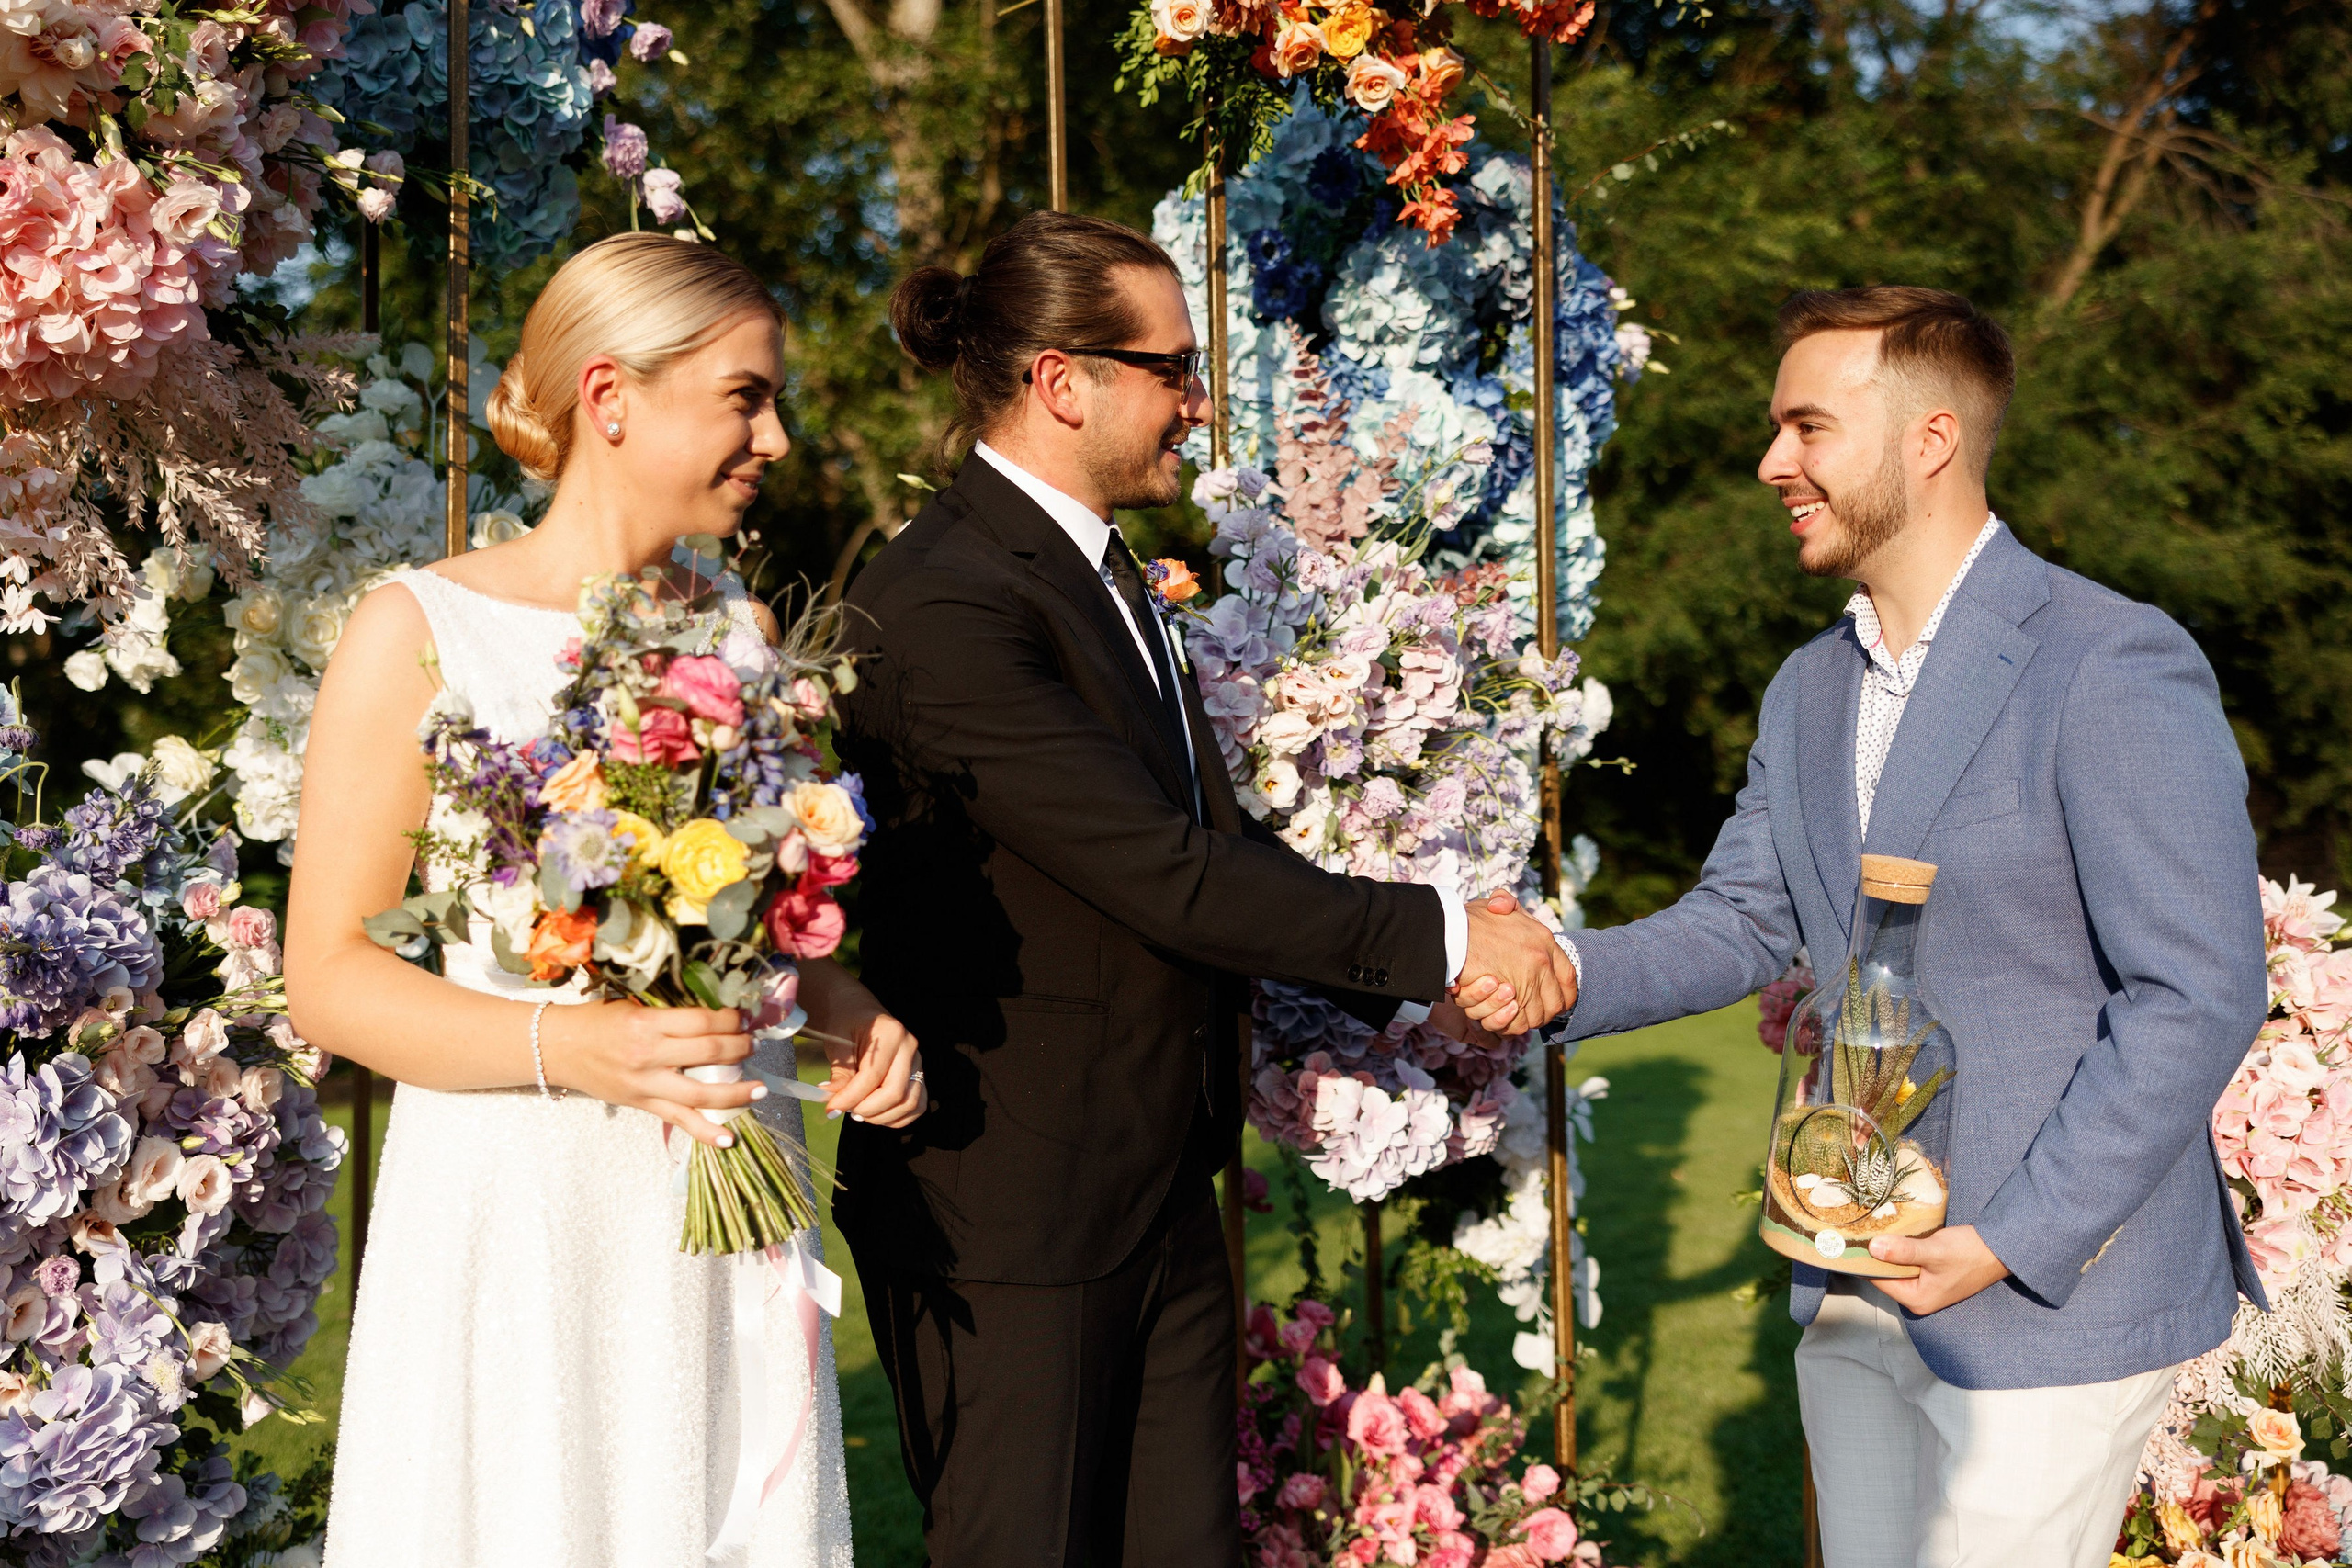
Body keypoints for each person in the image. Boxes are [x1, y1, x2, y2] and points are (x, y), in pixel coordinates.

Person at [1459, 285, 2268, 1566]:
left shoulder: (2110, 660)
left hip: (2045, 1299)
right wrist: (1548, 970)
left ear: (1930, 439)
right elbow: (1742, 920)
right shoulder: (1808, 688)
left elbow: (2198, 992)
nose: (1772, 463)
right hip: (1848, 1274)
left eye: (1808, 428)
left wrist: (2007, 1243)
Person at [831, 209, 1579, 1568]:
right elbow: (1164, 873)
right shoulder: (944, 599)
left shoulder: (1098, 569)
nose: (1200, 400)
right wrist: (1445, 935)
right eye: (1174, 368)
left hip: (1156, 1181)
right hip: (1011, 1207)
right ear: (1063, 380)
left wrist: (1407, 975)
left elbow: (1202, 845)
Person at [286, 233, 922, 1567]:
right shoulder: (418, 632)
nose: (777, 439)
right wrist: (573, 1046)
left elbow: (761, 937)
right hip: (521, 1217)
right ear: (610, 396)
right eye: (747, 398)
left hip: (720, 1213)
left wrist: (846, 1011)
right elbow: (330, 977)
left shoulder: (744, 637)